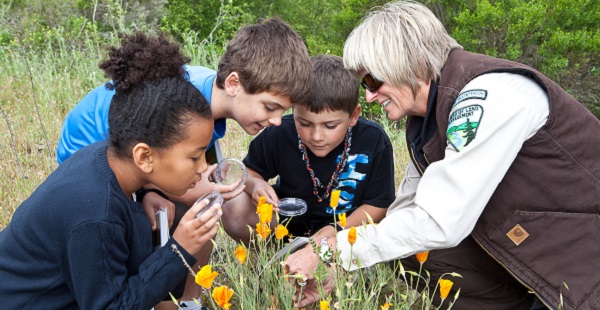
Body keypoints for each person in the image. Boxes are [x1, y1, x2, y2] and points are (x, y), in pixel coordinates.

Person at [288, 1, 600, 309]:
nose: (369, 95)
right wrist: (336, 268)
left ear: (404, 62)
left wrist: (330, 250)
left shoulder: (488, 95)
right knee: (410, 249)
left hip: (582, 270)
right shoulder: (427, 122)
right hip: (532, 252)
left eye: (372, 80)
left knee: (423, 236)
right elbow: (406, 213)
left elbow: (438, 221)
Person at [0, 32, 221, 309]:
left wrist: (142, 197)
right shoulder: (95, 214)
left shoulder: (104, 160)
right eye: (195, 156)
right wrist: (180, 249)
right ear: (144, 156)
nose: (203, 169)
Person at [56, 17, 313, 229]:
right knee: (205, 208)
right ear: (234, 84)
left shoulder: (213, 92)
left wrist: (252, 183)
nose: (278, 121)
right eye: (270, 107)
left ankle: (258, 276)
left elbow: (198, 168)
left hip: (141, 160)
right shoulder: (186, 106)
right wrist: (152, 192)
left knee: (220, 205)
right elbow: (184, 181)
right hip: (91, 167)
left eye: (283, 111)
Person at [222, 55, 395, 251]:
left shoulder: (373, 140)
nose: (317, 136)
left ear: (353, 115)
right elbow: (249, 172)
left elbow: (379, 204)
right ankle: (273, 261)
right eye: (304, 123)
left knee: (323, 280)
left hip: (344, 232)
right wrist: (256, 184)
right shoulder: (280, 132)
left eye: (330, 125)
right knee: (233, 207)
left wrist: (336, 230)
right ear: (292, 110)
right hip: (286, 226)